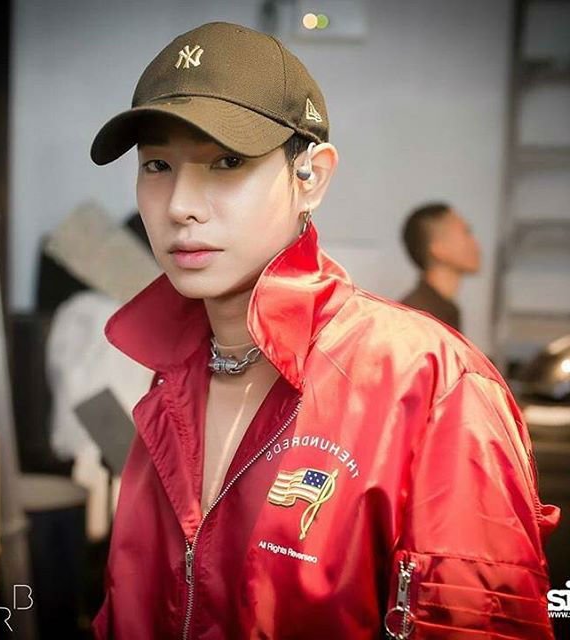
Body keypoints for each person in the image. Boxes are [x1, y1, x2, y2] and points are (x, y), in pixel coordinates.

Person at [89, 21, 559, 639]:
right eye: (157, 165)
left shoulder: (430, 385)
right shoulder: (168, 384)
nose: (180, 205)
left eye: (227, 162)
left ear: (311, 177)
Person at [400, 202, 481, 332]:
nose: (476, 243)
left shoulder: (444, 310)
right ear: (438, 249)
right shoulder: (419, 318)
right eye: (466, 232)